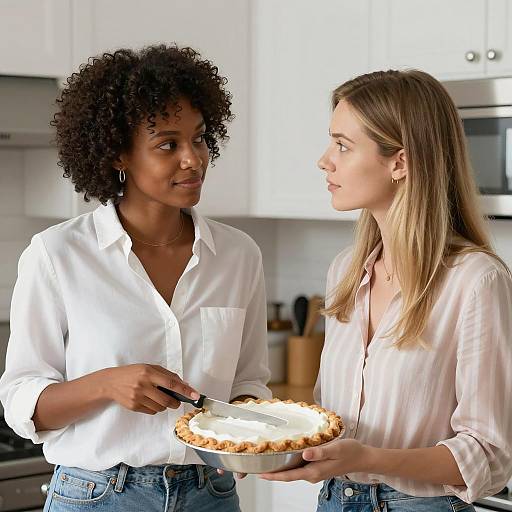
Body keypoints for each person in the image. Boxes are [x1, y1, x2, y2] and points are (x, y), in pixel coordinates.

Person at [0, 44, 271, 512]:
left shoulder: (238, 255)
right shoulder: (57, 254)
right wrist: (107, 384)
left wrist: (244, 433)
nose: (193, 158)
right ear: (118, 155)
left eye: (200, 139)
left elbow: (249, 381)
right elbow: (23, 402)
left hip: (211, 494)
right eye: (168, 144)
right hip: (97, 495)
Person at [260, 69, 512, 512]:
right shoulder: (346, 272)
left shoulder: (475, 281)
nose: (325, 160)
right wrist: (268, 444)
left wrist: (372, 458)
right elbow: (327, 415)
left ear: (400, 162)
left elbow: (489, 453)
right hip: (336, 500)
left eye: (342, 144)